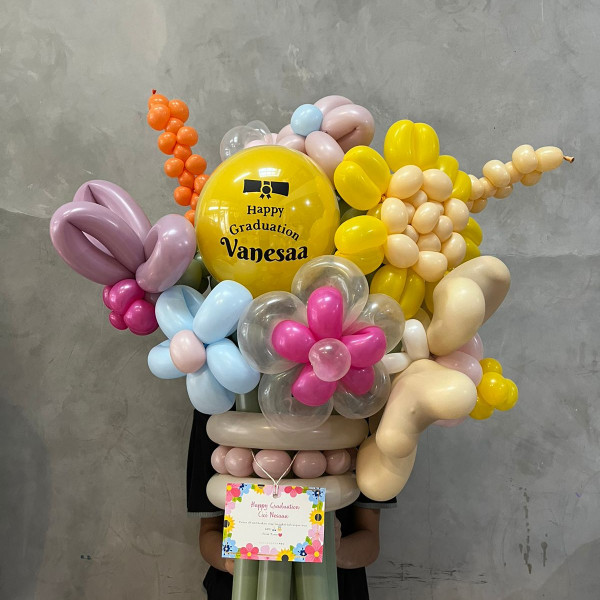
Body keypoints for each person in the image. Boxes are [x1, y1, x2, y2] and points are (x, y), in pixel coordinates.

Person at [187, 409, 396, 599]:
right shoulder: (218, 405)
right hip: (240, 586)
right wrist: (233, 562)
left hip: (334, 586)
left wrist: (333, 549)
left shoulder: (358, 406)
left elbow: (370, 542)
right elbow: (208, 534)